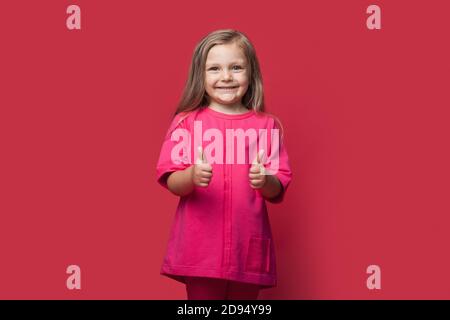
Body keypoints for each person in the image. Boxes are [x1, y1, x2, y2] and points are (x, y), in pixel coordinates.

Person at [156, 29, 292, 300]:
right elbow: (171, 180)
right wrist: (191, 175)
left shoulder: (266, 126)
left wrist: (265, 180)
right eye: (215, 68)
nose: (226, 76)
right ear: (200, 75)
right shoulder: (187, 122)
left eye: (236, 67)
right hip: (200, 250)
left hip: (247, 249)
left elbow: (277, 188)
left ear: (251, 73)